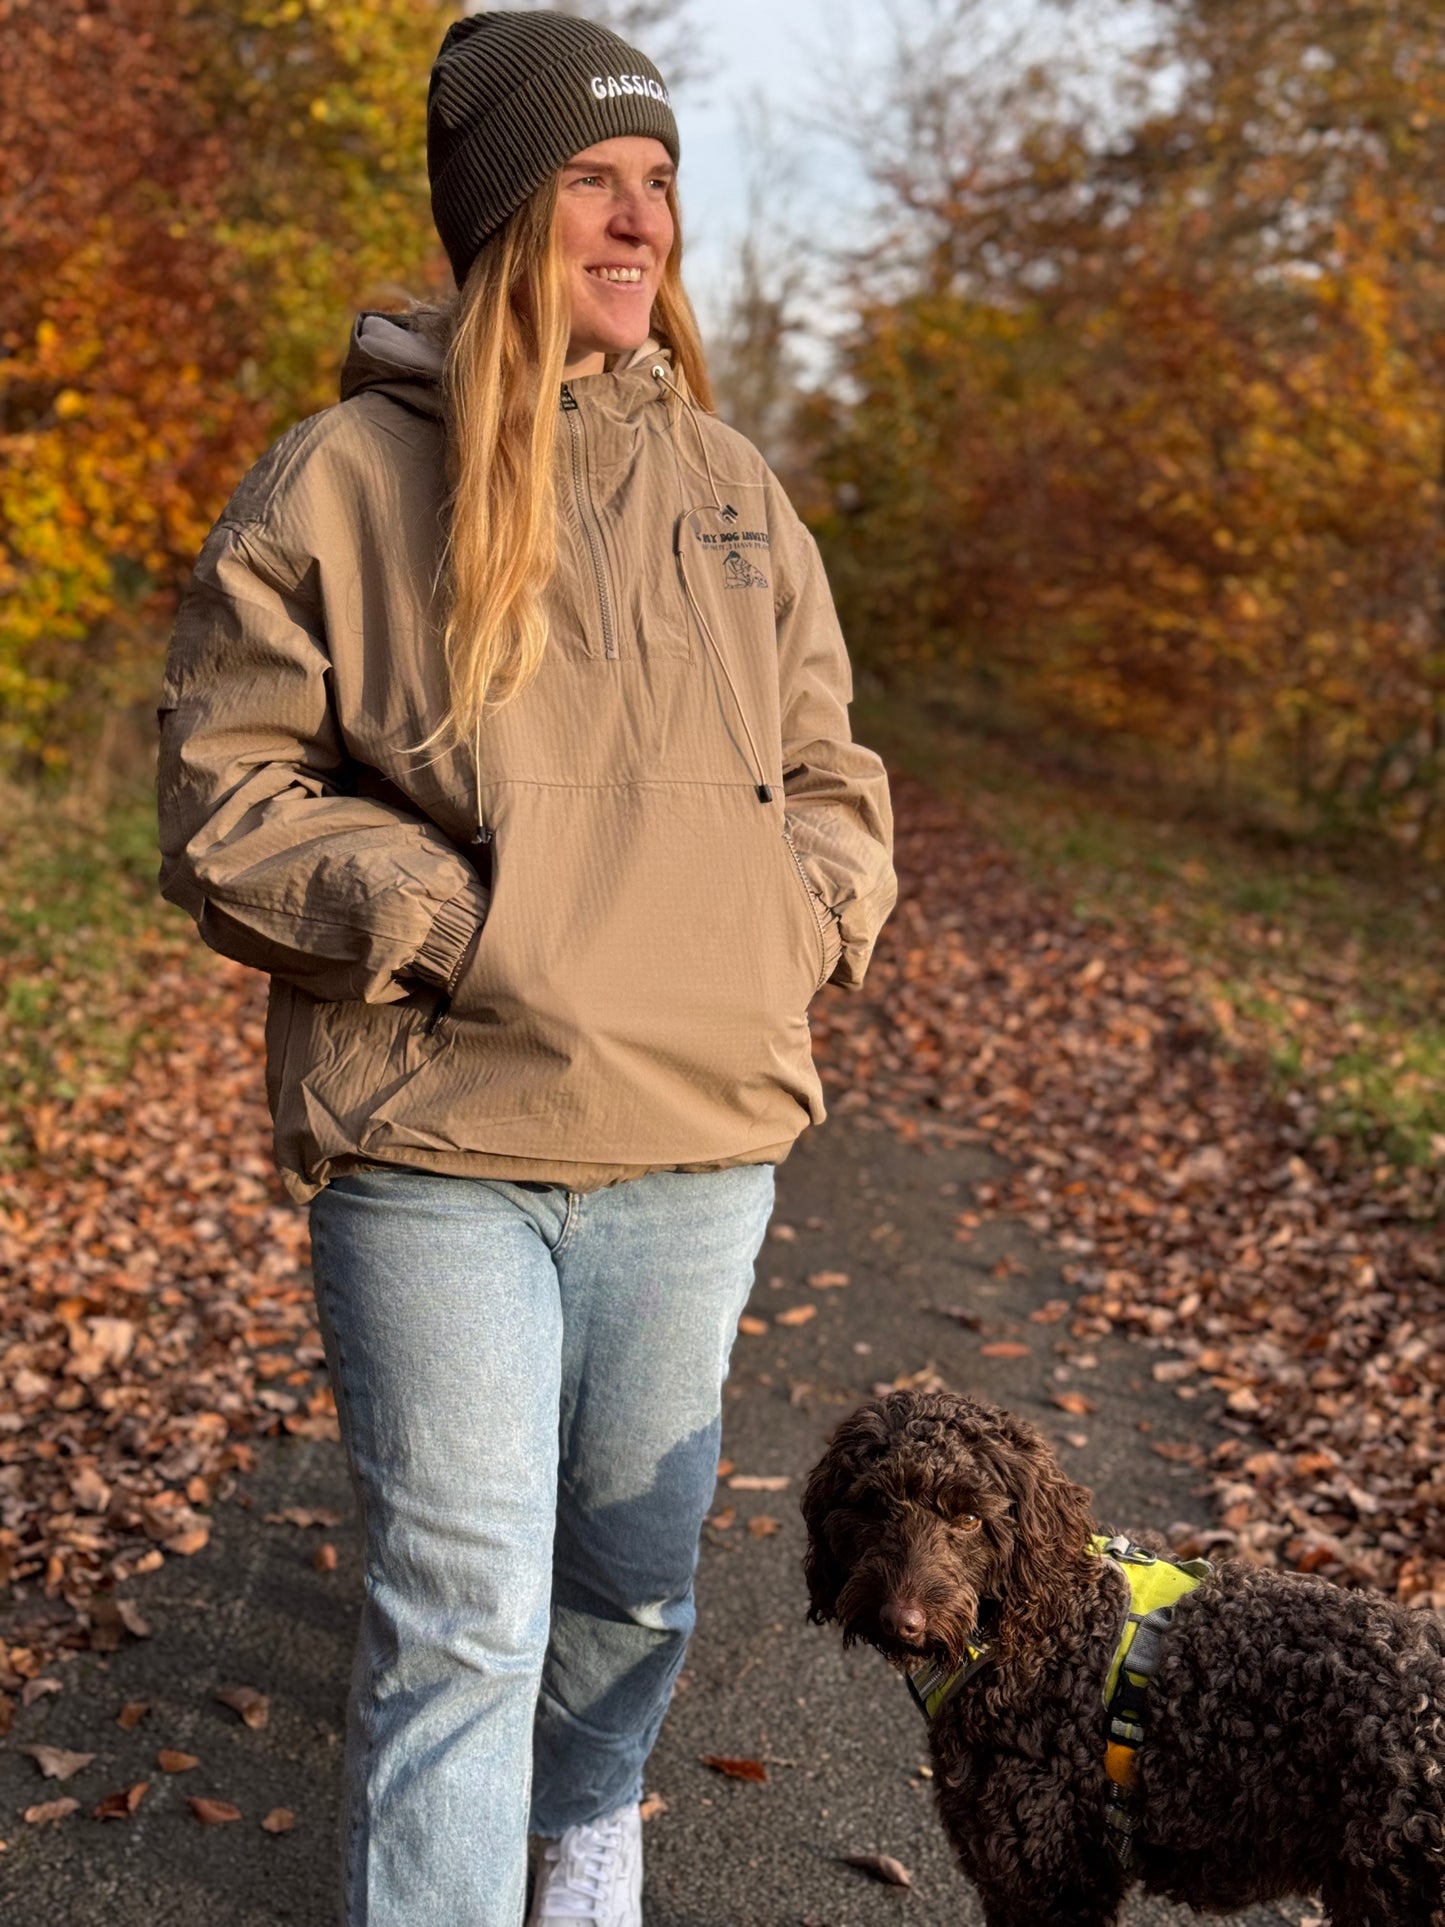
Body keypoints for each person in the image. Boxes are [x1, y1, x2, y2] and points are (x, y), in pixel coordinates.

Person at [156, 13, 895, 1926]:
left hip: (696, 1137)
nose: (640, 222)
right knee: (457, 1612)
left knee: (637, 1573)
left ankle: (584, 1837)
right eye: (594, 179)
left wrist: (787, 918)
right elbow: (230, 796)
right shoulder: (335, 482)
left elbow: (834, 770)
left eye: (660, 186)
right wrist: (462, 925)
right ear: (500, 212)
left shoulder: (735, 491)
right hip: (437, 1139)